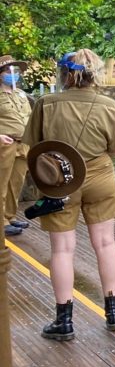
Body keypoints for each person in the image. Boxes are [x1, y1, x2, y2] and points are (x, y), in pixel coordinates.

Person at [24, 49, 115, 341]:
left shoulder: (46, 104)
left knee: (62, 250)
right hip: (100, 179)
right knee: (105, 243)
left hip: (60, 184)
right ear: (93, 74)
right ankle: (113, 313)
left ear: (63, 74)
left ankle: (64, 321)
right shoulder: (108, 105)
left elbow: (32, 146)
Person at [0, 55, 32, 237]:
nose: (12, 74)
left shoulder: (20, 94)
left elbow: (29, 117)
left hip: (23, 143)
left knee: (16, 182)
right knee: (1, 183)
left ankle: (9, 216)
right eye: (8, 71)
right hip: (5, 144)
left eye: (15, 71)